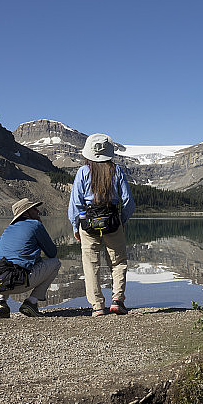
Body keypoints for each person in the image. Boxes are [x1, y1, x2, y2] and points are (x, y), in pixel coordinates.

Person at [68, 133, 135, 316]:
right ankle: (117, 300)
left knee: (91, 264)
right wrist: (121, 221)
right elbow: (128, 202)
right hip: (113, 221)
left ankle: (97, 306)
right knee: (118, 262)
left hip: (88, 222)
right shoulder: (116, 170)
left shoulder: (83, 171)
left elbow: (75, 203)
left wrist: (76, 226)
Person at [0, 198, 61, 318]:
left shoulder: (8, 229)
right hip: (18, 281)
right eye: (34, 209)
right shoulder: (35, 225)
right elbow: (52, 253)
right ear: (26, 213)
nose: (38, 211)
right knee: (55, 263)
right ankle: (31, 302)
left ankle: (1, 302)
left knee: (0, 266)